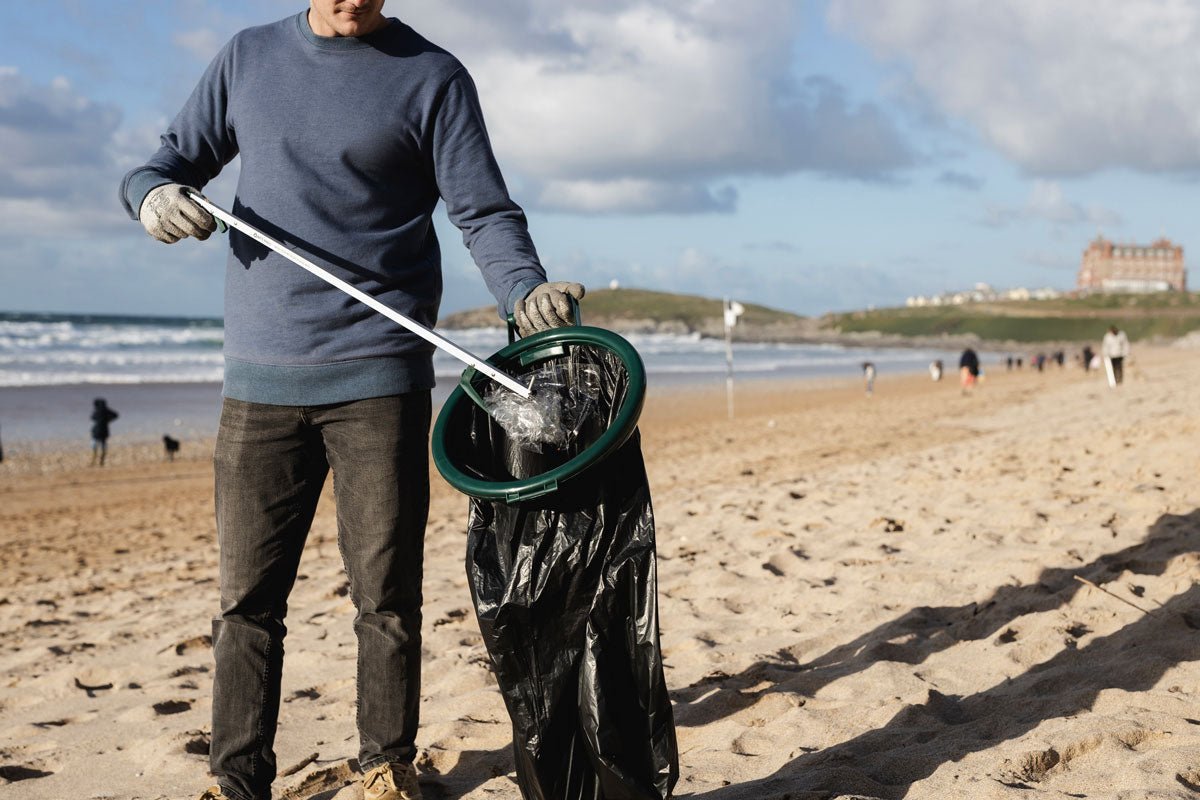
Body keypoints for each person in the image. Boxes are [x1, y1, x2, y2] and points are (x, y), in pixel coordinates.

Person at [118, 3, 584, 799]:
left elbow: (482, 211)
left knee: (386, 598)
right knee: (247, 604)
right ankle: (236, 779)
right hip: (259, 384)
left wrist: (524, 291)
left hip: (380, 376)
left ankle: (384, 769)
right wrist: (155, 198)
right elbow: (160, 166)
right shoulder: (246, 57)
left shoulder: (433, 77)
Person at [89, 398, 119, 466]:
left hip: (96, 430)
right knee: (103, 446)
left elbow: (92, 418)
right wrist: (108, 420)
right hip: (104, 430)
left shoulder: (96, 411)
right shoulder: (107, 411)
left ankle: (93, 460)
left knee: (94, 446)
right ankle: (102, 461)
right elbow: (116, 415)